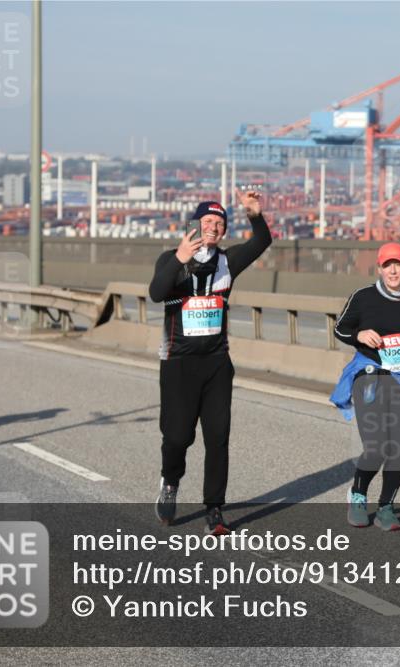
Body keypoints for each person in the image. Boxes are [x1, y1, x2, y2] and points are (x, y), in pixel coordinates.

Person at [148, 191, 272, 534]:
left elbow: (262, 242)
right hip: (178, 363)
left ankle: (214, 509)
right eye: (207, 221)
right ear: (195, 224)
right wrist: (180, 258)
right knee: (177, 437)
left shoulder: (228, 262)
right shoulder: (170, 258)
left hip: (216, 363)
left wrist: (254, 215)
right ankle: (170, 481)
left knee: (218, 438)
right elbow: (156, 293)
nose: (214, 227)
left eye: (219, 223)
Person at [330, 242, 400, 531]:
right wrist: (359, 335)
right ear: (379, 268)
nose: (393, 270)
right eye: (387, 265)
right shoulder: (363, 297)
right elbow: (340, 329)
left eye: (398, 264)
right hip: (370, 377)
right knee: (376, 447)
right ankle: (357, 496)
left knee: (399, 449)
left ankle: (386, 507)